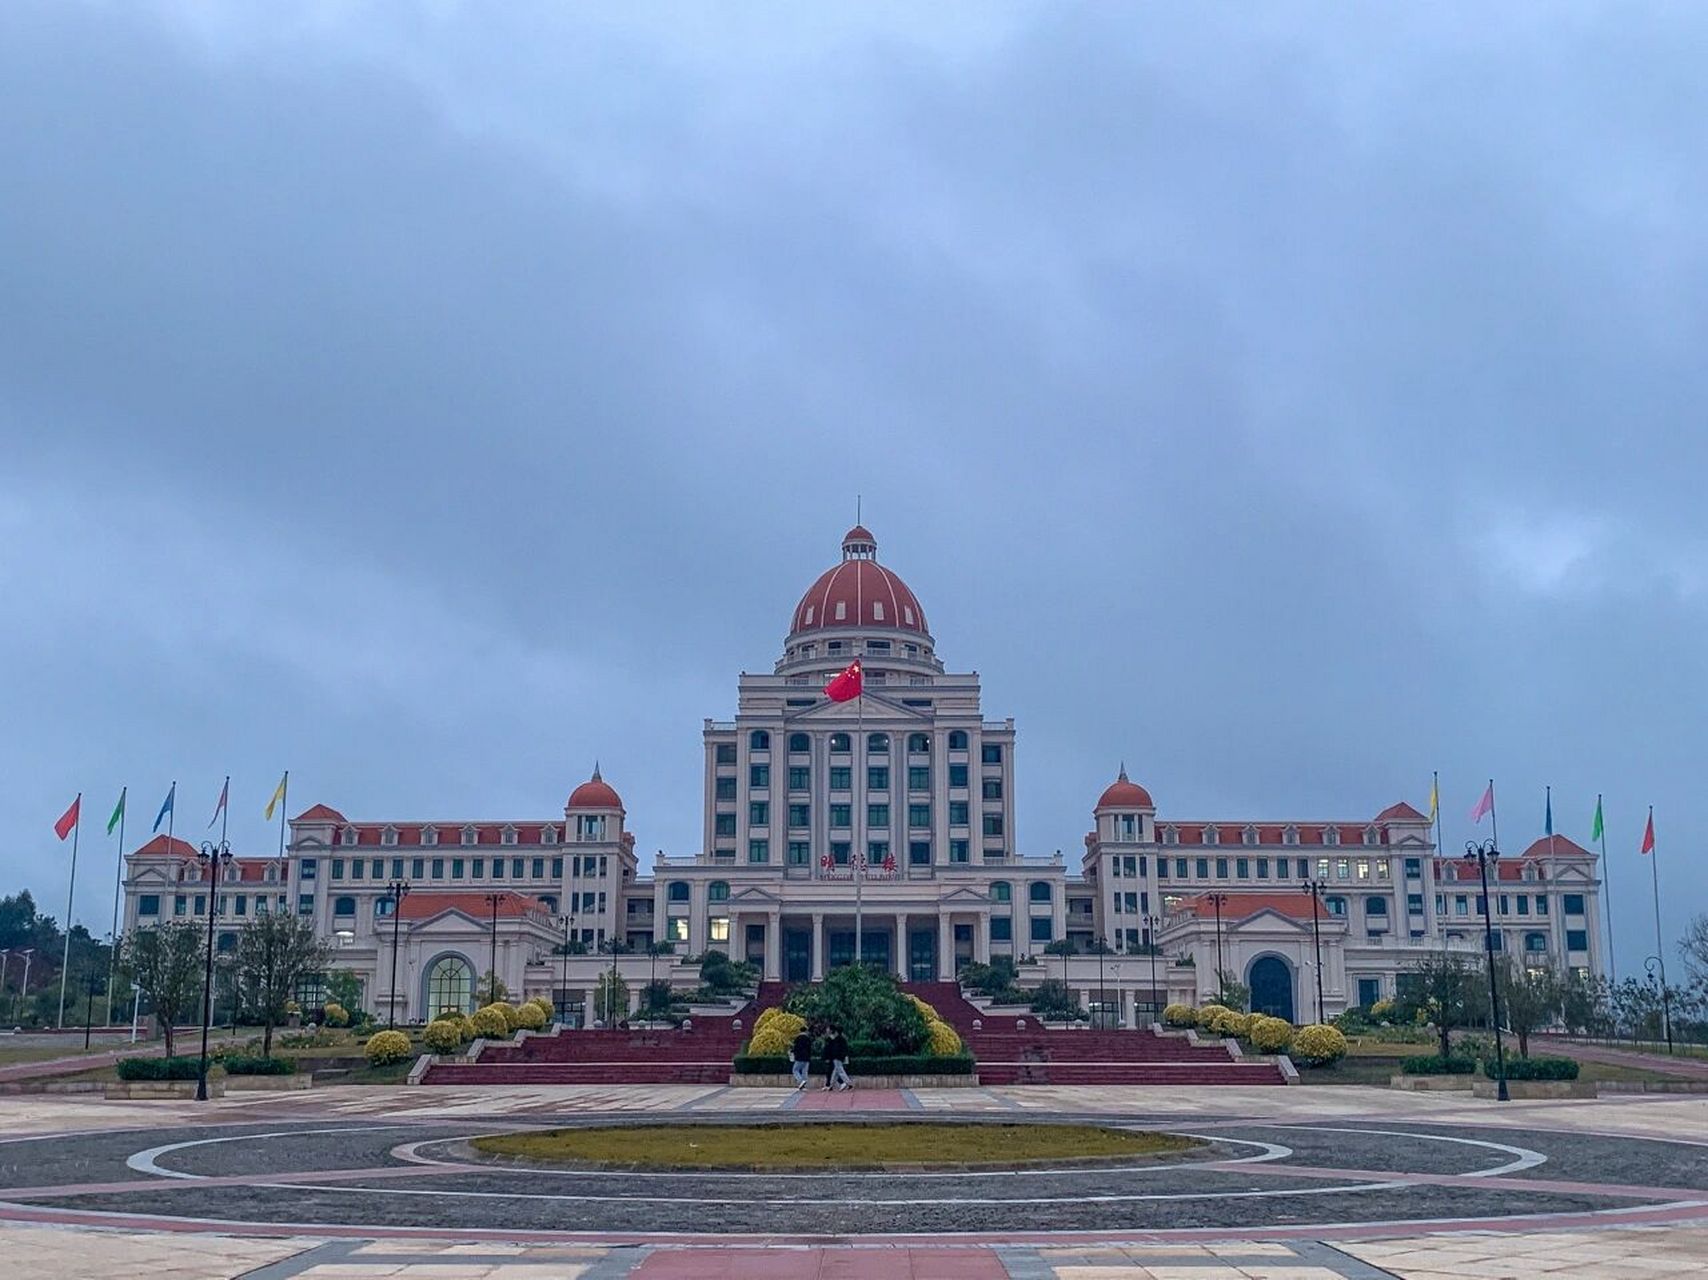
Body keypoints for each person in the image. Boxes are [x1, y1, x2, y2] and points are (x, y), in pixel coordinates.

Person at [823, 1024, 852, 1092]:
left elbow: (836, 1049)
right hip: (838, 1057)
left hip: (837, 1057)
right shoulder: (840, 1039)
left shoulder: (838, 1039)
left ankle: (848, 1083)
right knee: (835, 1072)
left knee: (840, 1071)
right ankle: (831, 1085)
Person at [789, 1026, 814, 1091]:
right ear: (806, 1031)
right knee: (804, 1071)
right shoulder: (808, 1038)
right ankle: (804, 1085)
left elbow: (796, 1047)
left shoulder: (798, 1038)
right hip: (807, 1057)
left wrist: (793, 1053)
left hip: (799, 1057)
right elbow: (810, 1048)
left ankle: (801, 1081)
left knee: (795, 1070)